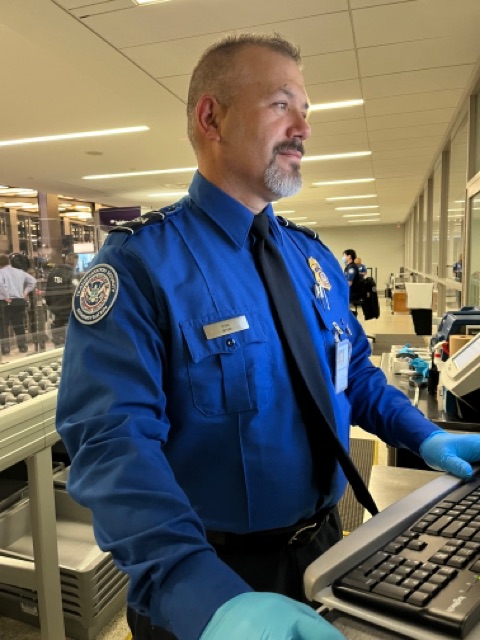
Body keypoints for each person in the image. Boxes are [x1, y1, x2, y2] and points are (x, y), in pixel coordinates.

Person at [56, 33, 480, 640]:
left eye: (306, 110)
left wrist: (428, 437)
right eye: (282, 105)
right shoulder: (140, 266)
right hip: (209, 581)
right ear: (212, 117)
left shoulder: (312, 259)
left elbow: (352, 372)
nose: (304, 128)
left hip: (327, 556)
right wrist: (207, 598)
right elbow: (112, 449)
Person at [0, 253, 36, 355]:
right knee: (19, 324)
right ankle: (22, 346)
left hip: (5, 302)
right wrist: (25, 292)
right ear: (9, 262)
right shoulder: (19, 272)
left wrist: (6, 296)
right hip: (19, 301)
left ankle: (6, 348)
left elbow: (1, 284)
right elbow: (32, 281)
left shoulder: (1, 272)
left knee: (3, 326)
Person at [45, 252, 78, 346]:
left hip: (55, 308)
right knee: (71, 331)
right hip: (68, 309)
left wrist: (50, 305)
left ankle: (58, 346)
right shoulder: (71, 274)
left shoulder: (53, 272)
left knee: (57, 331)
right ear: (76, 262)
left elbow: (48, 291)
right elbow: (75, 291)